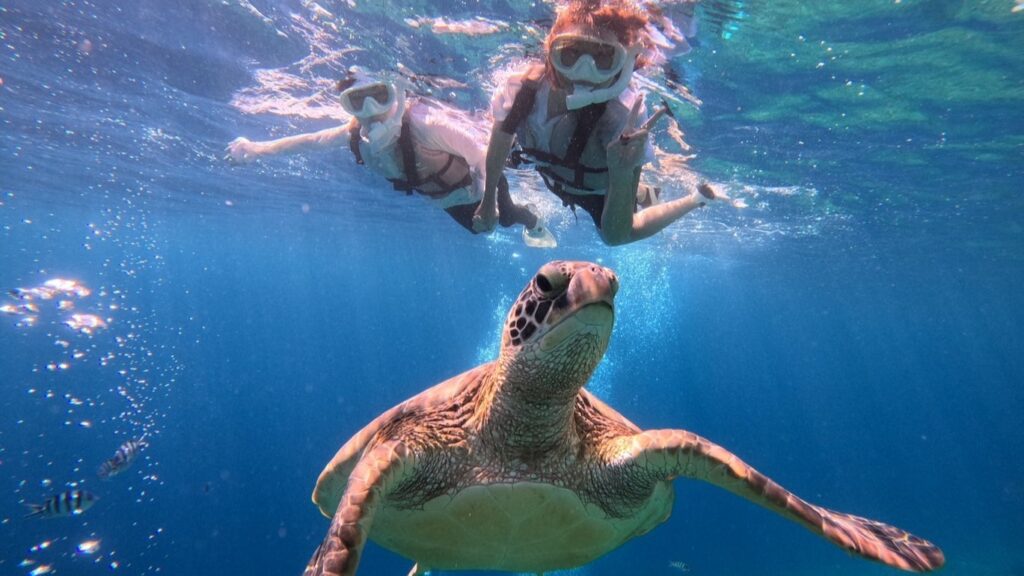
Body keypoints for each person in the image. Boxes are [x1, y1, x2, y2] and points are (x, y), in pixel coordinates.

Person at [474, 0, 728, 246]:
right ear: (551, 51)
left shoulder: (622, 118)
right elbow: (500, 138)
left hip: (594, 190)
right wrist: (488, 202)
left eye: (604, 58)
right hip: (551, 169)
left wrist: (621, 173)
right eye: (571, 53)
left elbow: (619, 231)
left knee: (614, 238)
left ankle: (694, 199)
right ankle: (641, 193)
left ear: (626, 63)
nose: (584, 71)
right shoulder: (522, 89)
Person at [226, 69, 557, 247]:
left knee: (506, 217)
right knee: (479, 233)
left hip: (478, 183)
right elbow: (308, 142)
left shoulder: (426, 124)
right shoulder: (354, 135)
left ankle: (535, 222)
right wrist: (256, 150)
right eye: (359, 102)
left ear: (395, 94)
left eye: (379, 97)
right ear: (348, 106)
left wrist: (488, 204)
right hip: (445, 198)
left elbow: (485, 157)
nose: (371, 111)